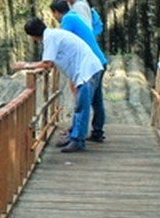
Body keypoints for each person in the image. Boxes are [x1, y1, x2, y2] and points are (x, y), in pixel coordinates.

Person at [12, 17, 103, 152]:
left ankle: (77, 141)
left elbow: (47, 63)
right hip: (92, 68)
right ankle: (88, 134)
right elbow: (51, 62)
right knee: (93, 104)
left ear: (33, 36)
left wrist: (25, 65)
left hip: (86, 72)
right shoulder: (54, 34)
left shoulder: (50, 38)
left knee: (81, 107)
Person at [51, 0, 107, 142]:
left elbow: (61, 40)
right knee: (96, 100)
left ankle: (76, 137)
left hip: (89, 65)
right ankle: (97, 132)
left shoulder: (68, 20)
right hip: (98, 61)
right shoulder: (75, 15)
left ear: (56, 12)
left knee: (83, 101)